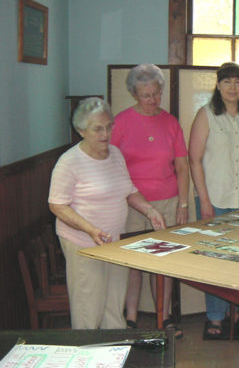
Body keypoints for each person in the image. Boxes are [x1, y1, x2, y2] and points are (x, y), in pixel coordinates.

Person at [48, 97, 166, 329]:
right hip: (83, 244)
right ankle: (87, 359)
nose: (105, 134)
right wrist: (90, 229)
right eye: (97, 129)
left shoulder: (115, 154)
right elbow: (57, 205)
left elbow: (128, 190)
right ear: (81, 130)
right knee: (88, 311)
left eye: (109, 126)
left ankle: (113, 357)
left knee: (114, 306)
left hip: (113, 241)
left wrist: (150, 210)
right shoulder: (69, 162)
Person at [110, 63, 189, 338]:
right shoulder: (120, 122)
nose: (153, 100)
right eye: (146, 95)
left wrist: (183, 204)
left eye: (157, 93)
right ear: (134, 94)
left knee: (162, 263)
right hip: (131, 201)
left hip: (167, 201)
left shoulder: (170, 123)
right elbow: (111, 164)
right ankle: (130, 317)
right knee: (133, 263)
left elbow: (182, 167)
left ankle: (164, 317)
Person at [189, 62, 239, 338]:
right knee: (214, 259)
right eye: (227, 82)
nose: (233, 88)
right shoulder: (206, 115)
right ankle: (214, 317)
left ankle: (238, 311)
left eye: (238, 82)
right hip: (215, 198)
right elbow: (194, 160)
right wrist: (204, 200)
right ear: (218, 86)